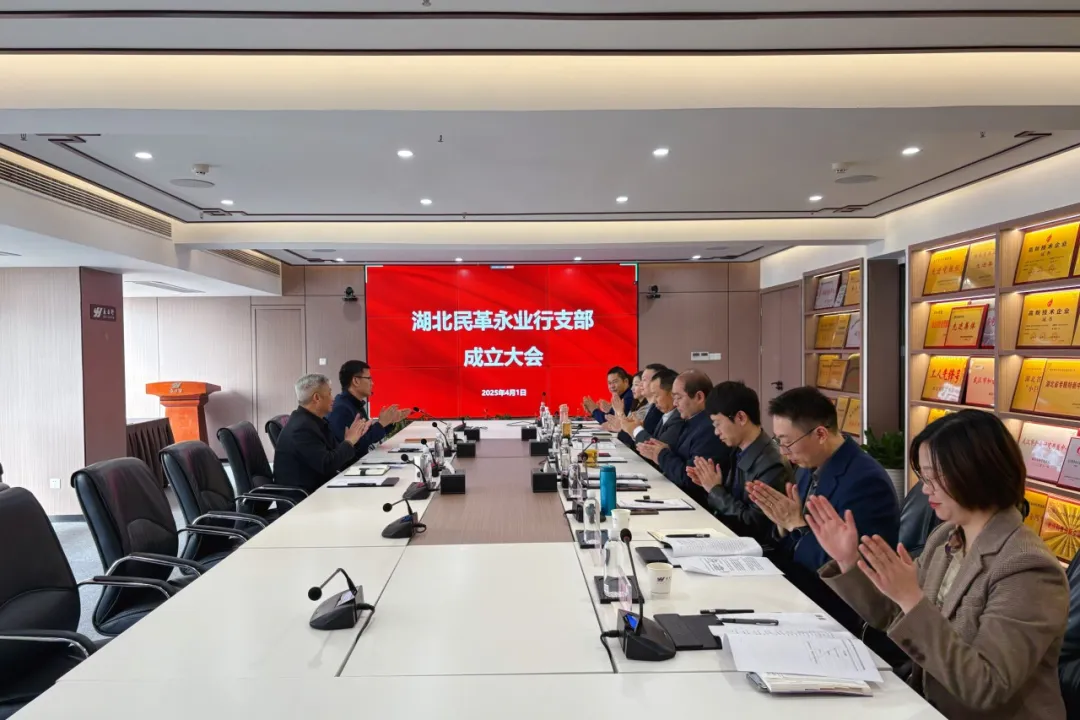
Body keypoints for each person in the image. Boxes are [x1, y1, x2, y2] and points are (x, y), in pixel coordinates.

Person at [807, 410, 1068, 720]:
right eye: (924, 476)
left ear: (976, 472)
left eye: (933, 477)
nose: (925, 488)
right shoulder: (946, 536)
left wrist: (911, 599)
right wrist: (848, 560)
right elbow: (894, 616)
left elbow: (987, 686)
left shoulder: (1027, 567)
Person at [687, 380, 792, 542]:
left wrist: (715, 490)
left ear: (741, 417)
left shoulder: (771, 465)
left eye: (718, 424)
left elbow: (752, 525)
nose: (716, 432)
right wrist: (708, 485)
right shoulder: (738, 450)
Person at [637, 370, 729, 507]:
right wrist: (665, 451)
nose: (674, 403)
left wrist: (661, 454)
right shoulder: (692, 421)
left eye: (678, 398)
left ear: (699, 397)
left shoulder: (709, 429)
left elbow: (689, 478)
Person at [273, 374, 373, 494]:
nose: (333, 398)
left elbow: (334, 456)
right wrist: (349, 441)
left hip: (320, 488)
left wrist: (353, 439)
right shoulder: (301, 428)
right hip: (305, 497)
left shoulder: (314, 421)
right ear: (317, 397)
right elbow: (327, 465)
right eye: (329, 393)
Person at [326, 360, 408, 457]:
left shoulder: (354, 403)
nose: (372, 383)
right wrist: (381, 424)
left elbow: (368, 435)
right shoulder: (341, 409)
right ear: (356, 381)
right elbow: (356, 444)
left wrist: (389, 422)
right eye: (369, 379)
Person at [613, 368, 684, 453]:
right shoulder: (663, 412)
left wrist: (635, 429)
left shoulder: (676, 417)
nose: (655, 401)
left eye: (656, 395)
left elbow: (658, 451)